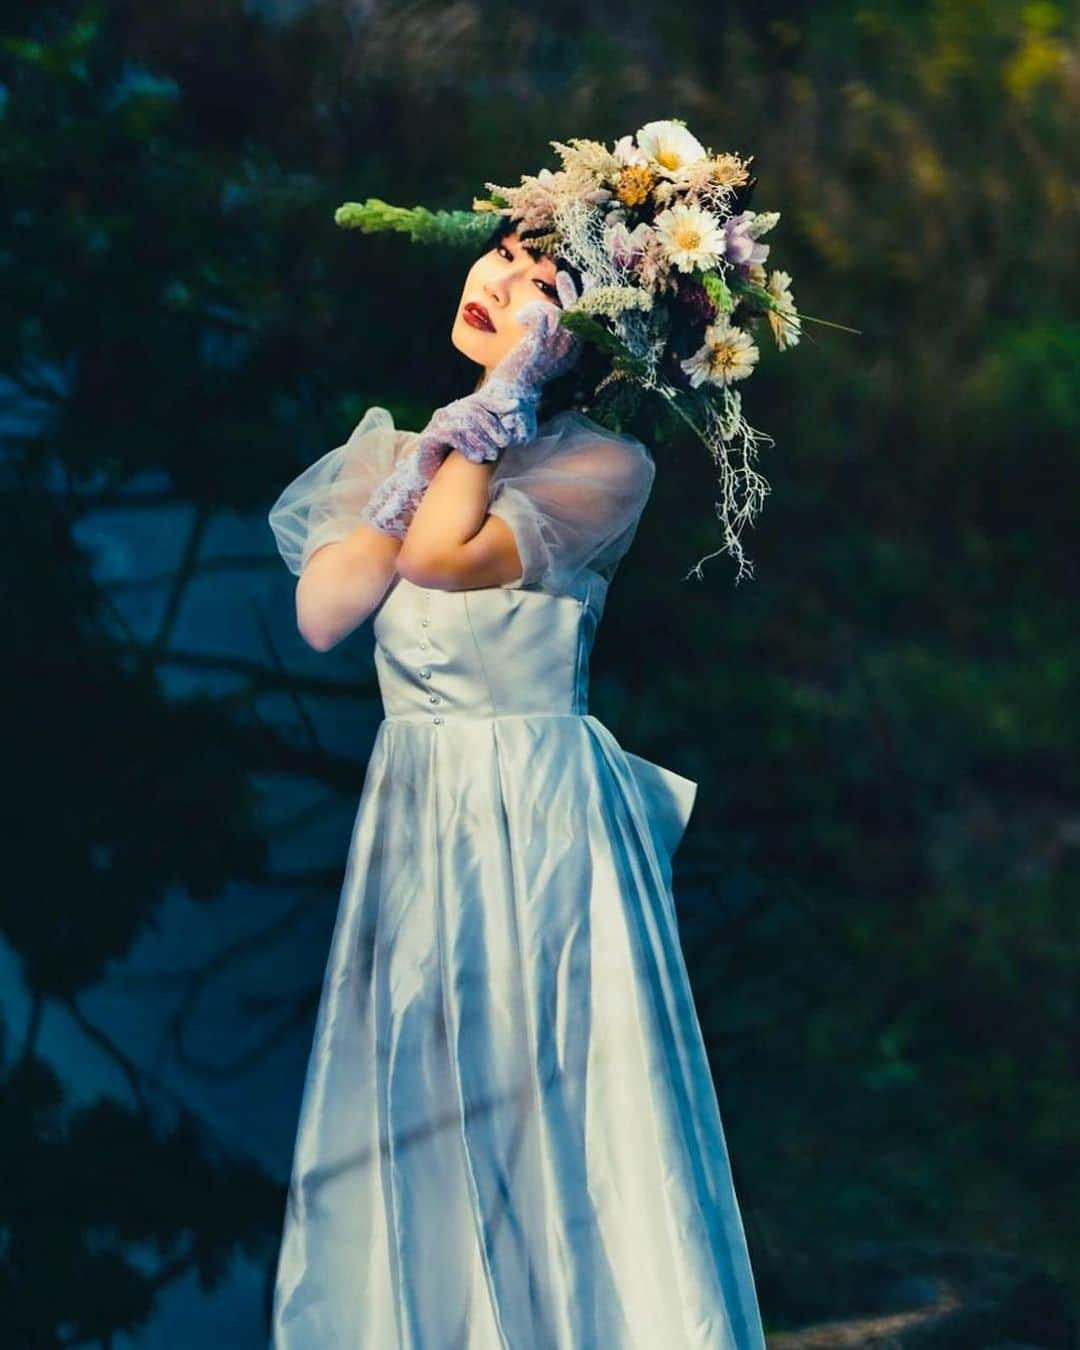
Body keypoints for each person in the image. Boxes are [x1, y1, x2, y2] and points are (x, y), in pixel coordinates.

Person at [267, 129, 770, 1349]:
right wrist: (446, 437)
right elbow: (330, 612)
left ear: (583, 334)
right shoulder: (402, 450)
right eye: (499, 251)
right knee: (421, 1089)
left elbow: (444, 557)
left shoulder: (602, 468)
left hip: (535, 813)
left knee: (555, 1097)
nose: (494, 281)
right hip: (420, 809)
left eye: (537, 282)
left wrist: (499, 405)